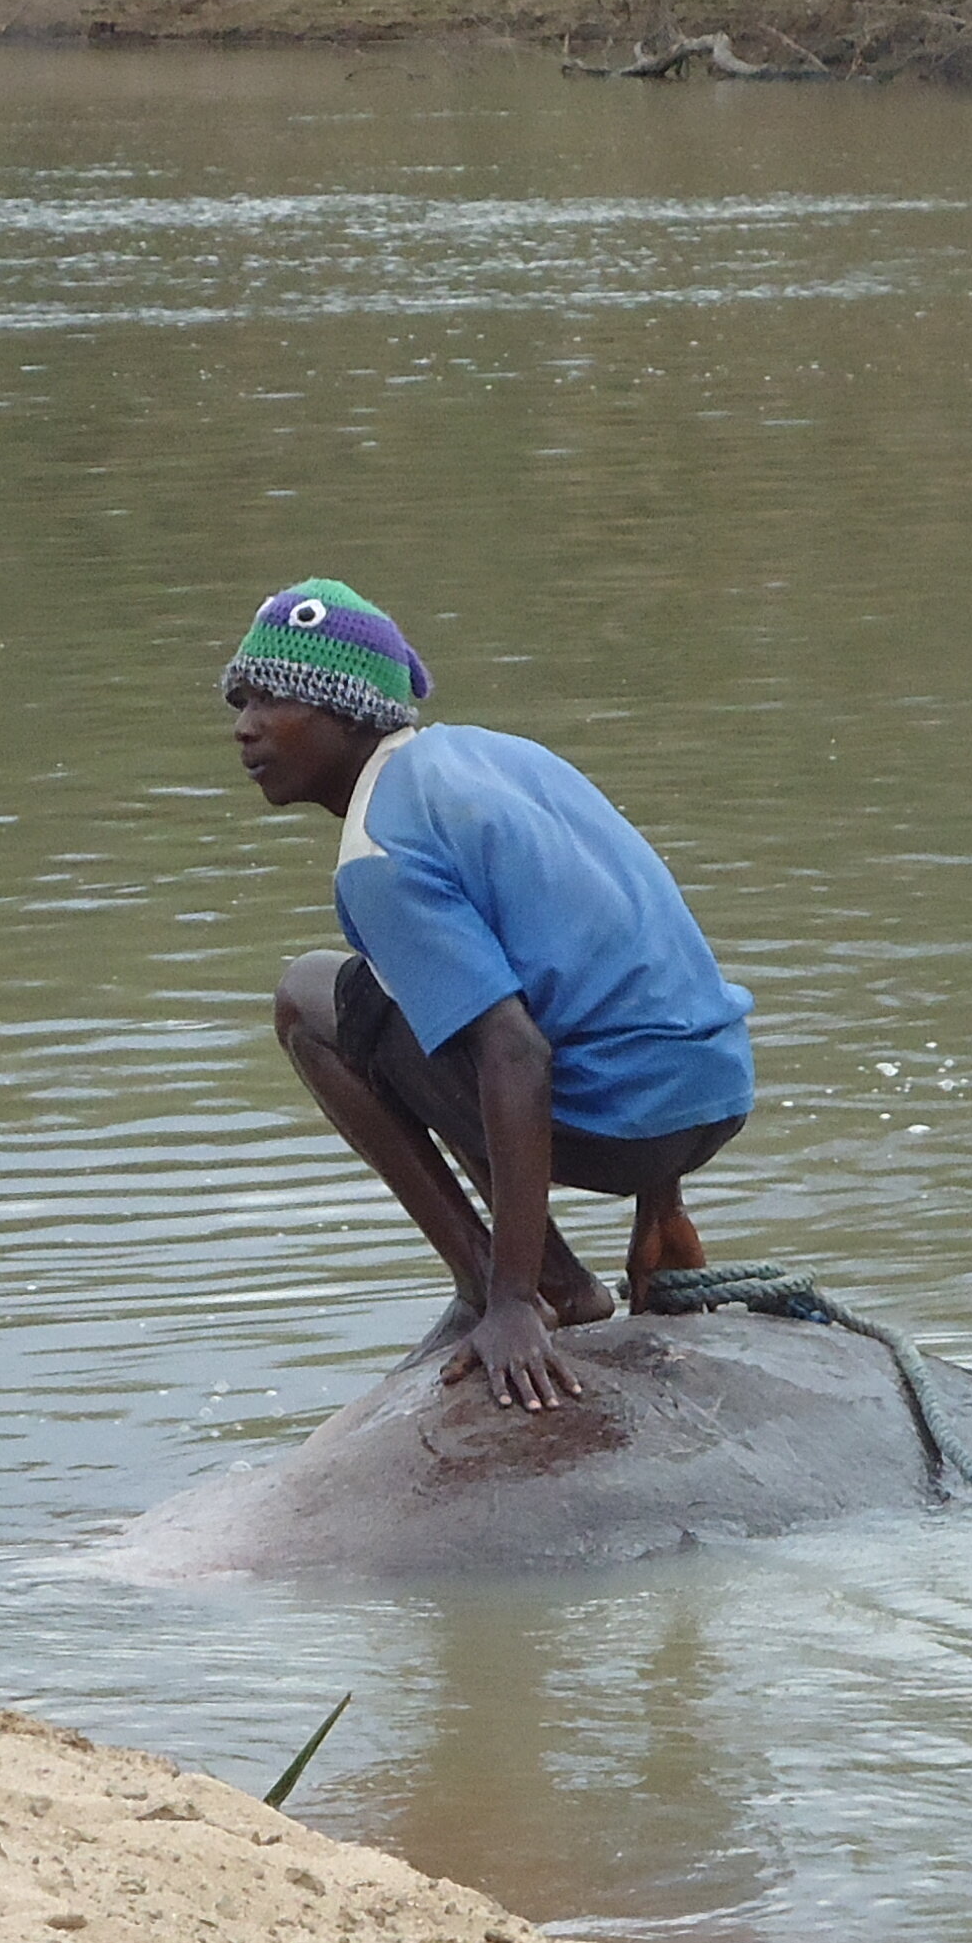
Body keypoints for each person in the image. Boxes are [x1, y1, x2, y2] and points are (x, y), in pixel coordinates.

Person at [226, 578, 755, 1413]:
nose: (246, 726)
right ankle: (557, 1266)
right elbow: (630, 940)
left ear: (354, 714)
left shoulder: (379, 851)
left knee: (310, 1000)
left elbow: (517, 1051)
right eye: (241, 700)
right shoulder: (501, 757)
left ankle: (515, 1287)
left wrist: (512, 1303)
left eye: (278, 699)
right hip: (713, 1098)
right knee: (431, 1000)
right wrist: (666, 1202)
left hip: (616, 1128)